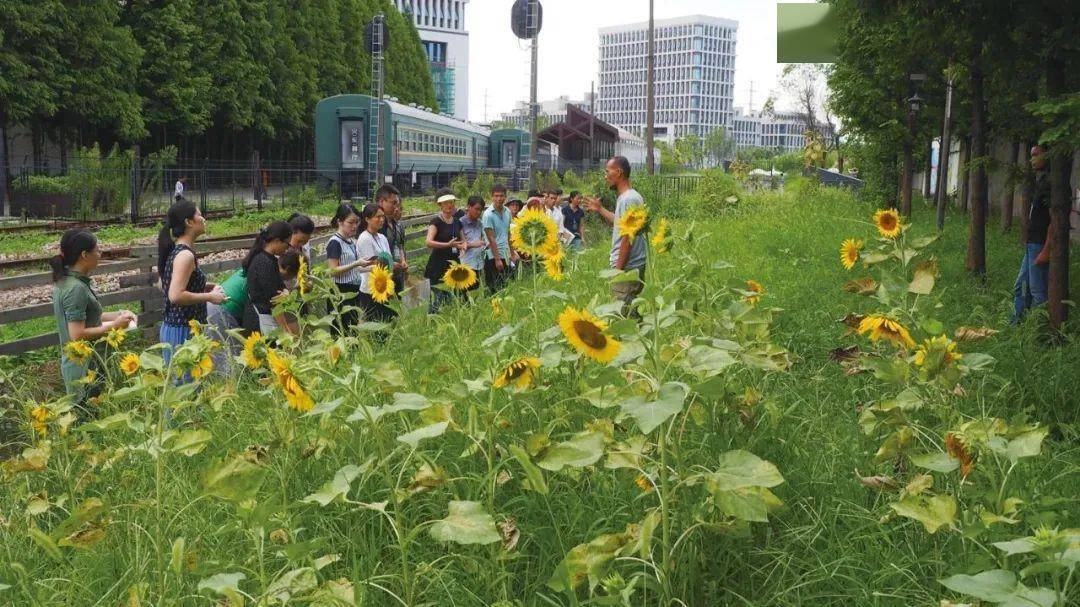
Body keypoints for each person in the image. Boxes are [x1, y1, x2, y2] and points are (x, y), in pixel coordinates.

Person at [50, 230, 136, 414]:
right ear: (84, 255)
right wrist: (115, 326)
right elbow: (77, 334)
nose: (100, 254)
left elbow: (88, 317)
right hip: (83, 369)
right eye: (97, 250)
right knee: (87, 418)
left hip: (83, 364)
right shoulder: (76, 289)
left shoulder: (69, 281)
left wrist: (117, 315)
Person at [158, 200, 227, 372]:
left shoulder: (181, 250)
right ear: (189, 222)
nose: (203, 218)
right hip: (182, 332)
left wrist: (205, 286)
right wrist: (210, 297)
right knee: (185, 389)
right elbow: (175, 295)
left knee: (188, 388)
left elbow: (170, 283)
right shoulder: (185, 255)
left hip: (184, 329)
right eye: (199, 214)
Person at [586, 156, 647, 318]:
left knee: (623, 317)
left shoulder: (628, 199)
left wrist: (618, 270)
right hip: (631, 266)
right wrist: (600, 209)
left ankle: (638, 342)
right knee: (629, 313)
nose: (605, 176)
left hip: (627, 268)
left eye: (607, 172)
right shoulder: (627, 197)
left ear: (618, 172)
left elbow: (628, 238)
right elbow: (621, 223)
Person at [1012, 145, 1052, 324]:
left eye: (1036, 155)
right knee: (1021, 285)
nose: (1032, 159)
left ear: (1047, 154)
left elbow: (1055, 220)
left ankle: (1042, 330)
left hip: (1040, 245)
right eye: (1031, 155)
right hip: (1032, 243)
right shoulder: (1040, 181)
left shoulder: (1052, 183)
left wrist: (1047, 249)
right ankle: (1016, 324)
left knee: (1038, 291)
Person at [244, 221, 300, 336]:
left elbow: (280, 287)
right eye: (287, 244)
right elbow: (274, 301)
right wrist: (285, 329)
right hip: (259, 322)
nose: (288, 248)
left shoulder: (269, 259)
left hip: (263, 317)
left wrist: (285, 292)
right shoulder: (264, 263)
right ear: (277, 241)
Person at [326, 203, 370, 336]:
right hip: (341, 292)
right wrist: (356, 263)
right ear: (340, 221)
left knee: (353, 330)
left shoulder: (351, 241)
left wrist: (370, 267)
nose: (354, 226)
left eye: (357, 222)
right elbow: (333, 270)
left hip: (353, 290)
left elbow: (354, 269)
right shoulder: (335, 242)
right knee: (342, 332)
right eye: (351, 222)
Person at [425, 188, 466, 313]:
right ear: (440, 204)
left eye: (452, 202)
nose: (449, 205)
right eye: (446, 202)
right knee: (437, 297)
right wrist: (447, 244)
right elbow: (428, 242)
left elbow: (463, 240)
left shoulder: (457, 222)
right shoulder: (436, 222)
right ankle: (431, 322)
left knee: (452, 297)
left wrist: (463, 247)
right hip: (437, 265)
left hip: (453, 264)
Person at [356, 202, 398, 325]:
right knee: (374, 325)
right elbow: (369, 265)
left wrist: (394, 265)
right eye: (377, 217)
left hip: (384, 286)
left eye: (383, 217)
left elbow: (388, 260)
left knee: (387, 323)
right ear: (367, 219)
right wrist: (384, 266)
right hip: (371, 290)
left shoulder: (382, 237)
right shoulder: (364, 238)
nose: (381, 220)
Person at [207, 264, 248, 374]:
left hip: (213, 305)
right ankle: (231, 384)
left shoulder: (247, 267)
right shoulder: (261, 273)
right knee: (232, 355)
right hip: (221, 309)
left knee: (220, 351)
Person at [376, 184, 409, 295]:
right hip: (382, 278)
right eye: (393, 203)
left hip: (398, 274)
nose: (396, 207)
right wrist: (390, 264)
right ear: (381, 201)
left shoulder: (396, 224)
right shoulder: (375, 226)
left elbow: (400, 245)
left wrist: (403, 261)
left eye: (397, 203)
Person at [483, 184, 515, 293]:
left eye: (501, 196)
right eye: (496, 196)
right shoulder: (488, 215)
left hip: (506, 253)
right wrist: (497, 259)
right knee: (495, 287)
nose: (499, 199)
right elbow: (491, 239)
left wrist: (512, 252)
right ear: (491, 197)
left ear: (505, 197)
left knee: (506, 285)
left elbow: (509, 234)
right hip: (493, 256)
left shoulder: (507, 212)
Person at [459, 196, 488, 297]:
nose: (479, 212)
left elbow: (483, 239)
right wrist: (473, 245)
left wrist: (485, 244)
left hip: (479, 263)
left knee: (476, 293)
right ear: (468, 207)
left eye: (481, 210)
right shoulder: (460, 223)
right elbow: (457, 244)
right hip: (466, 263)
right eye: (476, 209)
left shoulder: (480, 223)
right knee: (465, 294)